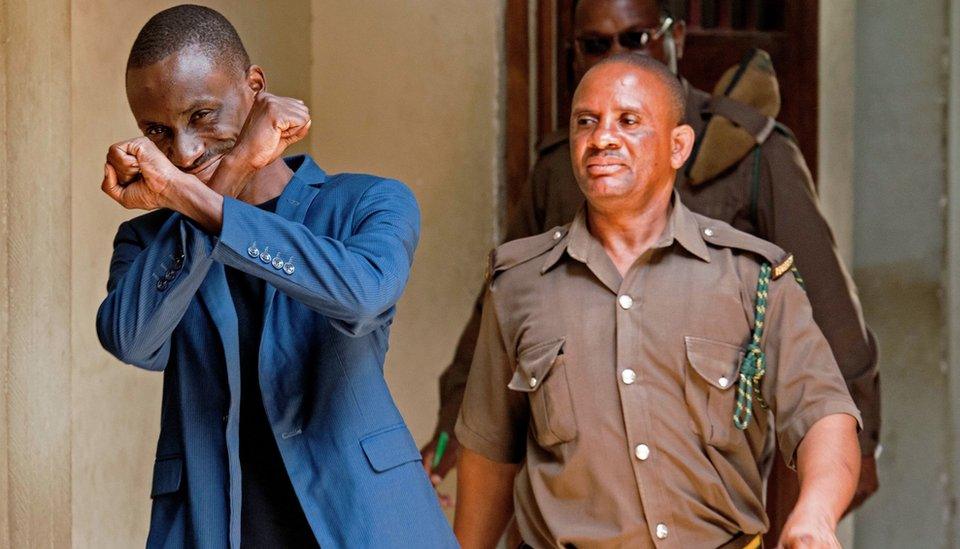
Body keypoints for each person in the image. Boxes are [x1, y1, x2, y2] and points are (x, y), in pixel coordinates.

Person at [425, 0, 880, 532]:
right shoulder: (553, 181)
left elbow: (825, 339)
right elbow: (497, 337)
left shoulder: (753, 168)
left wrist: (841, 474)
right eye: (596, 45)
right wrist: (446, 433)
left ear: (674, 38)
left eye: (634, 39)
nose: (605, 138)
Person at [95, 5, 456, 548]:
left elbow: (361, 296)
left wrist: (197, 199)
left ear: (254, 87)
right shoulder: (149, 242)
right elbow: (133, 341)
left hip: (364, 521)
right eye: (157, 132)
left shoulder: (368, 203)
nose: (184, 153)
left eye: (201, 116)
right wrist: (230, 173)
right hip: (215, 524)